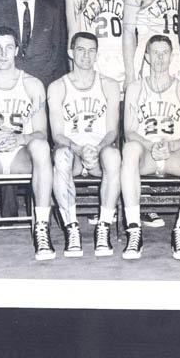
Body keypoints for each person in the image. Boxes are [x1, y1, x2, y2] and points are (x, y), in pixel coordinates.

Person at [0, 27, 54, 264]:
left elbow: (41, 132)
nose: (3, 54)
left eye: (8, 47)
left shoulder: (33, 85)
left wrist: (20, 139)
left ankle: (42, 228)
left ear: (16, 50)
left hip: (20, 155)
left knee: (42, 148)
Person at [46, 32, 123, 258]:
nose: (86, 55)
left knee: (114, 157)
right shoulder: (58, 86)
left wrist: (97, 149)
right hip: (74, 153)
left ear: (96, 55)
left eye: (91, 51)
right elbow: (57, 134)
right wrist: (79, 150)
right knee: (60, 157)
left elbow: (112, 131)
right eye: (80, 49)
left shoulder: (109, 85)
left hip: (99, 152)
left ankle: (104, 226)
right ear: (71, 52)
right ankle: (72, 228)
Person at [119, 35, 180, 260]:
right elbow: (129, 131)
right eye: (155, 53)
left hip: (175, 155)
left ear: (171, 56)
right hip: (146, 154)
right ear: (148, 57)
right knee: (130, 149)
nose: (160, 57)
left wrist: (172, 145)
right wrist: (150, 145)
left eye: (165, 53)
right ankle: (134, 229)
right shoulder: (135, 88)